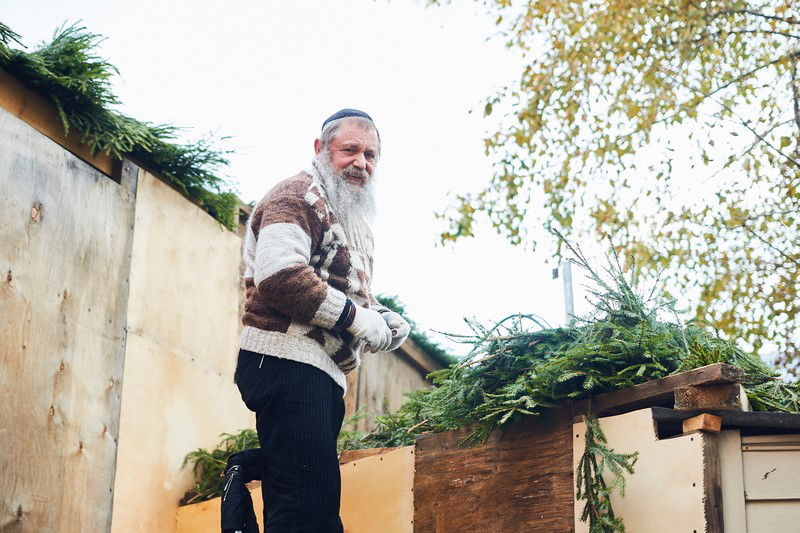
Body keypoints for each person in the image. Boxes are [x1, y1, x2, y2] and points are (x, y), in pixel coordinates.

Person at [233, 109, 411, 533]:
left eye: (370, 155)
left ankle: (250, 465)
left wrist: (383, 316)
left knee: (302, 504)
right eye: (349, 149)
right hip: (287, 360)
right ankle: (246, 467)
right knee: (309, 516)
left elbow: (351, 294)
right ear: (320, 149)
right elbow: (280, 276)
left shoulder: (350, 219)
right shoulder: (295, 195)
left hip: (319, 371)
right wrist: (357, 319)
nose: (361, 162)